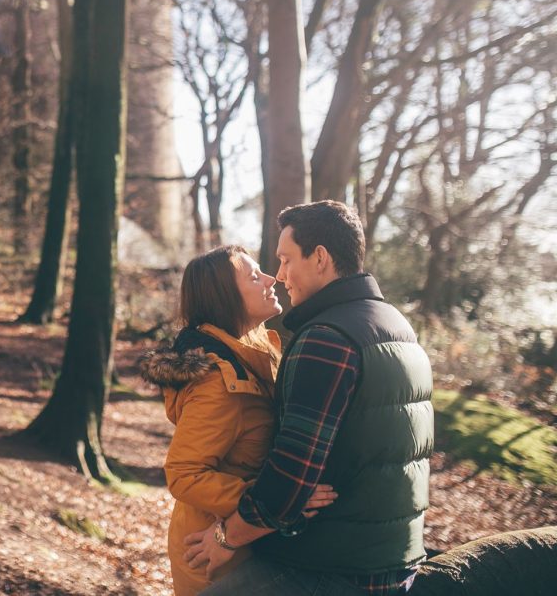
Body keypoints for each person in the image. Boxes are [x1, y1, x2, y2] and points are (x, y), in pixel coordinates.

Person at [185, 200, 434, 595]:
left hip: (327, 566)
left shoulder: (327, 338)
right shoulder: (395, 326)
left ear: (319, 258)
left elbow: (290, 476)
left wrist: (225, 537)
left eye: (286, 260)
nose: (280, 275)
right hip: (393, 562)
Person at [139, 245, 335, 595]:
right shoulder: (218, 379)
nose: (272, 278)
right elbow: (184, 475)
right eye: (253, 275)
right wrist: (278, 499)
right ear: (224, 296)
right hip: (213, 558)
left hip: (245, 545)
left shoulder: (255, 356)